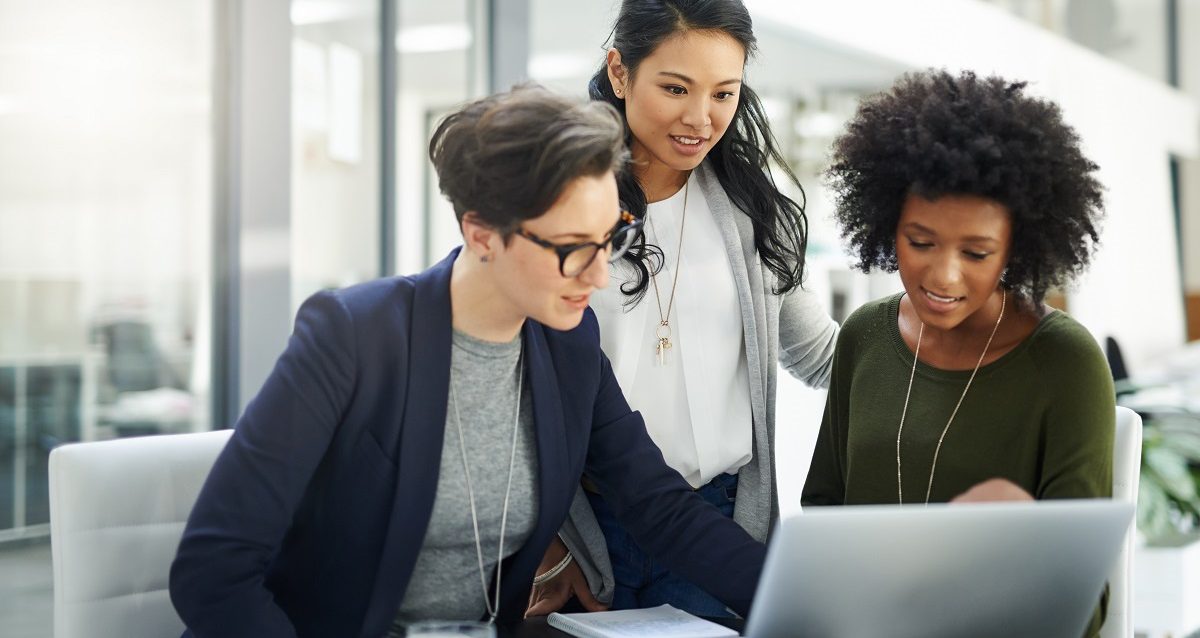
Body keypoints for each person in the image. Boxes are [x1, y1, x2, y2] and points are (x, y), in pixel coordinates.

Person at [168, 85, 766, 638]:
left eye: (611, 238)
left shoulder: (569, 343)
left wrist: (801, 593)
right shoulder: (353, 336)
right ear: (481, 235)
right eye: (572, 248)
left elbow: (656, 504)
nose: (601, 273)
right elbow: (212, 571)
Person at [526, 0, 838, 619]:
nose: (701, 118)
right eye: (675, 88)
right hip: (589, 534)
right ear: (620, 73)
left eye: (725, 94)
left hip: (718, 526)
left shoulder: (751, 211)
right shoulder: (560, 209)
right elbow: (513, 387)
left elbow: (823, 356)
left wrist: (956, 335)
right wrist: (548, 546)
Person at [800, 69, 1114, 636]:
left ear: (1017, 249)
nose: (942, 275)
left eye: (976, 252)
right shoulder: (864, 336)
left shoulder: (1065, 364)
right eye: (920, 242)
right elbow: (822, 517)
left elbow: (1080, 600)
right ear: (886, 224)